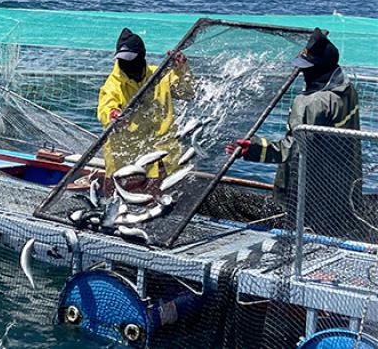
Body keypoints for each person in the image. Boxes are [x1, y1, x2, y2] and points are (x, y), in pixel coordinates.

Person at [225, 28, 361, 236]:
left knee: (305, 237)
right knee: (332, 233)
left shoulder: (310, 102)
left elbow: (296, 148)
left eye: (307, 67)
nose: (302, 72)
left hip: (312, 189)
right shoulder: (347, 90)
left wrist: (253, 149)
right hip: (343, 181)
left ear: (319, 68)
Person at [97, 28, 195, 181]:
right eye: (123, 60)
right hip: (127, 160)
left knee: (164, 200)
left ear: (142, 57)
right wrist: (112, 115)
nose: (127, 64)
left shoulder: (160, 75)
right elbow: (106, 107)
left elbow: (187, 93)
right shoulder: (112, 85)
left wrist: (181, 69)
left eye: (131, 60)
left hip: (164, 155)